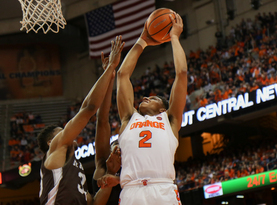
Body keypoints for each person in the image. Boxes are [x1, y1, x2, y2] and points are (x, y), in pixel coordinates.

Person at [110, 12, 187, 205]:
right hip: (131, 191)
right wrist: (142, 40)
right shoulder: (129, 118)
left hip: (162, 189)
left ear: (163, 109)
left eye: (152, 98)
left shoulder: (170, 120)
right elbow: (122, 75)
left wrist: (175, 38)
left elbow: (182, 73)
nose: (144, 98)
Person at [37, 36, 124, 205]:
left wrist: (111, 175)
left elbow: (94, 203)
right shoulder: (56, 148)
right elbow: (89, 110)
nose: (66, 131)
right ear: (50, 142)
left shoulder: (74, 171)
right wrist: (110, 68)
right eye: (61, 131)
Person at [91, 52, 122, 205]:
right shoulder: (102, 165)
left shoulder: (134, 168)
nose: (117, 149)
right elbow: (102, 120)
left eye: (120, 149)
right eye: (114, 147)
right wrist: (109, 76)